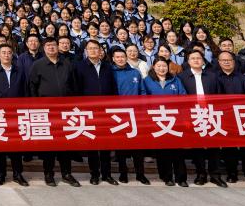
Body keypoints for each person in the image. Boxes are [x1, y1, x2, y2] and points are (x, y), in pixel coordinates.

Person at [28, 38, 78, 187]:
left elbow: (74, 85)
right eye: (48, 45)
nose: (51, 47)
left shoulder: (67, 64)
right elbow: (32, 87)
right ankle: (48, 173)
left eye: (53, 45)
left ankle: (66, 173)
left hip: (65, 111)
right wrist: (36, 106)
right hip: (46, 111)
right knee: (48, 144)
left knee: (65, 143)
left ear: (58, 47)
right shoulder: (38, 65)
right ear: (44, 48)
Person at [178, 49, 226, 187]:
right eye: (193, 58)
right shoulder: (182, 77)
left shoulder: (212, 76)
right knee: (197, 146)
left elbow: (220, 95)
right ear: (188, 61)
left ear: (203, 60)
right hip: (193, 115)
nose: (196, 60)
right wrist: (185, 117)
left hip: (211, 114)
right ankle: (201, 174)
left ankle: (215, 175)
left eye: (198, 58)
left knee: (214, 146)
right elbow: (180, 99)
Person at [0, 41, 29, 186]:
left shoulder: (20, 71)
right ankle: (0, 174)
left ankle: (17, 174)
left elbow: (25, 92)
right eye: (3, 53)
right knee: (0, 146)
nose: (6, 55)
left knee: (16, 145)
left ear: (13, 55)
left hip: (16, 114)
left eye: (9, 53)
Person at [74, 40, 117, 186]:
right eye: (90, 48)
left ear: (100, 51)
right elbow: (77, 89)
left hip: (105, 111)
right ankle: (94, 174)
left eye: (96, 48)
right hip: (88, 111)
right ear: (86, 51)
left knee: (105, 144)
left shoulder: (107, 67)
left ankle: (107, 174)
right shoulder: (79, 67)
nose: (93, 51)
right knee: (92, 144)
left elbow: (113, 88)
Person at [142, 58, 188, 186]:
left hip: (175, 120)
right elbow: (143, 99)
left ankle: (181, 178)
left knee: (178, 150)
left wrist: (184, 117)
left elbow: (183, 97)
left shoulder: (175, 80)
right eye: (159, 66)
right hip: (157, 120)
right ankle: (166, 177)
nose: (162, 68)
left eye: (164, 66)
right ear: (153, 67)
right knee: (162, 151)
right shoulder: (147, 81)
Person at [213, 50, 245, 185]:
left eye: (229, 60)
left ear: (234, 62)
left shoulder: (243, 78)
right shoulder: (214, 78)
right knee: (229, 148)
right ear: (219, 62)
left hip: (243, 116)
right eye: (223, 60)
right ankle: (232, 173)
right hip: (224, 117)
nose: (226, 62)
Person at [111, 47, 148, 185]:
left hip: (135, 114)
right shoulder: (110, 73)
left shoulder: (135, 72)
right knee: (121, 147)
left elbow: (142, 91)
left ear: (126, 57)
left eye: (122, 57)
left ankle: (140, 174)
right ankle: (123, 173)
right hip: (118, 115)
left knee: (137, 147)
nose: (120, 59)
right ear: (113, 59)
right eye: (117, 57)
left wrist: (142, 109)